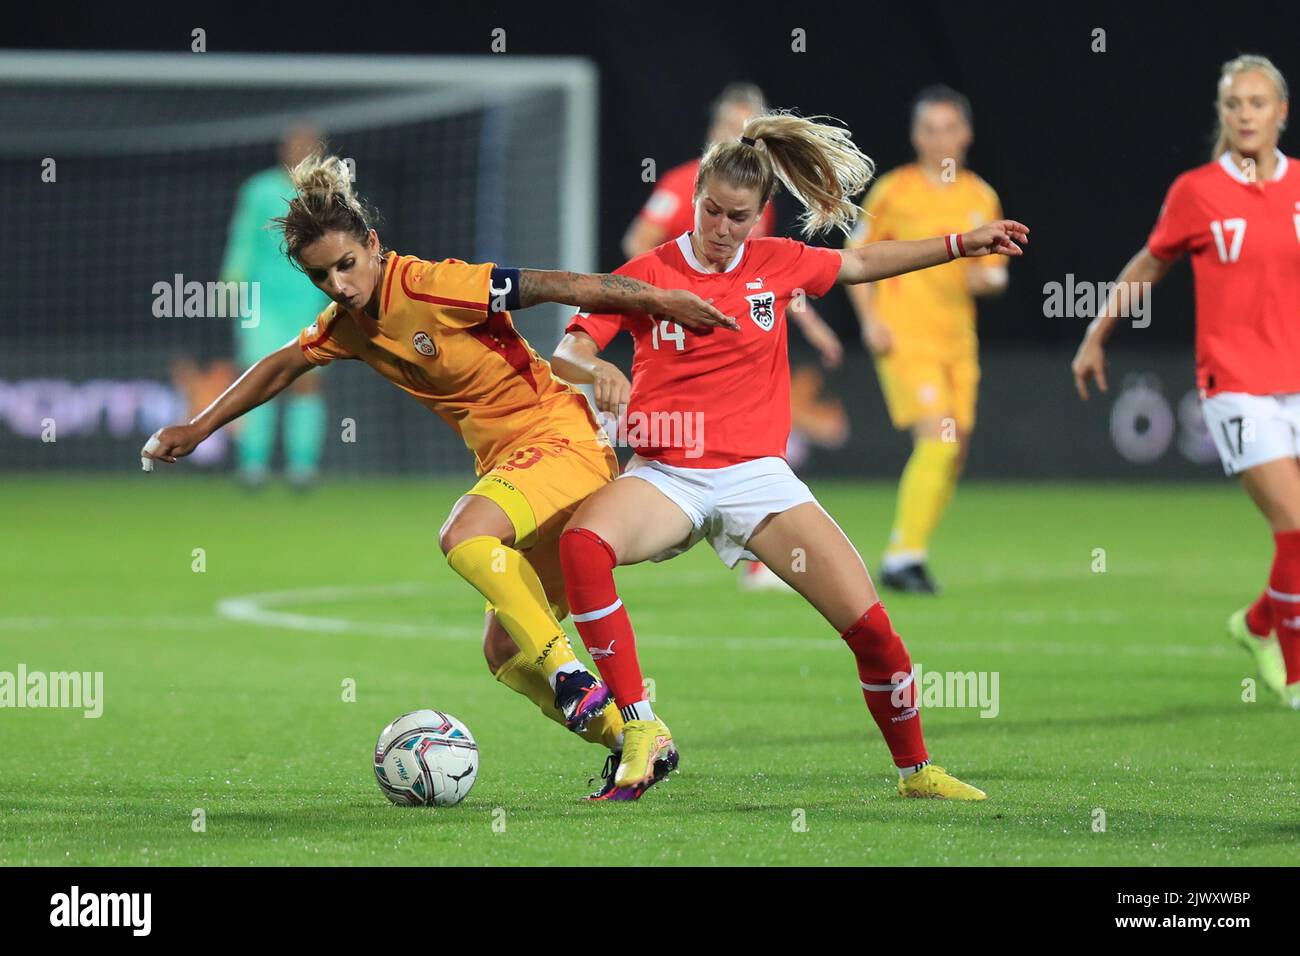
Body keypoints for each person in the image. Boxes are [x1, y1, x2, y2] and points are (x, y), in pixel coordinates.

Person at [141, 151, 738, 786]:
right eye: (323, 276)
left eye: (348, 264)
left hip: (562, 440)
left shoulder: (434, 284)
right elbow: (284, 363)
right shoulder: (348, 325)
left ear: (373, 244)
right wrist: (199, 427)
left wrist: (661, 300)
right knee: (503, 650)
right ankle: (638, 741)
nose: (341, 284)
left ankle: (570, 673)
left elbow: (562, 284)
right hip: (517, 467)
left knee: (463, 534)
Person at [550, 111, 1027, 800]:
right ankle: (640, 723)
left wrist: (960, 243)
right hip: (670, 477)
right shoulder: (647, 274)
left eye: (737, 217)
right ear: (695, 200)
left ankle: (915, 772)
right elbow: (569, 348)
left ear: (760, 215)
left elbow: (862, 261)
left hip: (758, 480)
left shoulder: (778, 264)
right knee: (583, 546)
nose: (720, 228)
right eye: (710, 210)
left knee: (874, 632)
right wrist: (595, 370)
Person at [1072, 54, 1298, 708]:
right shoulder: (1198, 192)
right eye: (1234, 105)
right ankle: (1297, 672)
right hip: (1235, 383)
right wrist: (1096, 332)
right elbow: (1149, 263)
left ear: (1281, 111)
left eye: (1258, 103)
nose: (1246, 115)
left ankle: (1257, 624)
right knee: (1296, 528)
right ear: (1223, 116)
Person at [623, 81, 845, 591]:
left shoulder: (756, 200)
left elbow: (767, 281)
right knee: (679, 451)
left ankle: (755, 558)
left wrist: (811, 324)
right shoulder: (684, 185)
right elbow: (637, 241)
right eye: (733, 127)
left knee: (753, 447)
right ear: (712, 131)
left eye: (751, 130)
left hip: (740, 343)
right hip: (682, 345)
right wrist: (661, 300)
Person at [845, 86, 1009, 594]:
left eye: (949, 129)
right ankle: (902, 558)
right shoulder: (895, 190)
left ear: (966, 134)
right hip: (906, 335)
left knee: (953, 450)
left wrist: (991, 279)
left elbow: (990, 273)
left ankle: (909, 549)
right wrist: (870, 319)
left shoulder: (980, 197)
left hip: (957, 341)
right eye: (930, 130)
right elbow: (857, 256)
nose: (940, 140)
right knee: (937, 437)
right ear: (916, 136)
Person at [220, 126, 331, 490]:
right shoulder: (259, 190)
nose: (299, 150)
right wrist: (233, 279)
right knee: (258, 378)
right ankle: (253, 465)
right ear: (283, 149)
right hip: (262, 300)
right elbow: (243, 238)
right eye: (294, 143)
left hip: (312, 298)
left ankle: (303, 467)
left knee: (306, 383)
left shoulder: (328, 192)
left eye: (307, 145)